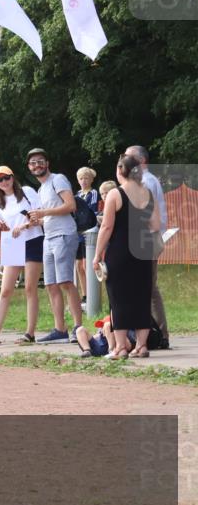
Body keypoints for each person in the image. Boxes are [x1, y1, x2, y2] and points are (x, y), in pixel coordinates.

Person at [93, 154, 158, 359]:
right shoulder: (147, 193)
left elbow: (107, 226)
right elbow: (155, 225)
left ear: (121, 170)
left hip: (120, 250)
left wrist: (96, 255)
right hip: (143, 250)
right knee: (141, 296)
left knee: (118, 298)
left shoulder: (115, 193)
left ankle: (120, 347)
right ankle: (141, 346)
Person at [25, 148, 83, 344]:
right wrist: (37, 221)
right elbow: (49, 215)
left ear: (47, 163)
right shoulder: (41, 190)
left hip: (64, 235)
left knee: (65, 282)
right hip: (48, 238)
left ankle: (78, 327)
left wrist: (43, 213)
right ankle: (60, 329)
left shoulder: (58, 179)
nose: (37, 165)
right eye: (33, 163)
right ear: (29, 168)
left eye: (40, 161)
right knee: (50, 284)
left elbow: (70, 205)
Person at [0, 166, 44, 345]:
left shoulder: (27, 192)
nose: (4, 182)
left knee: (30, 288)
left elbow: (39, 217)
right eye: (0, 179)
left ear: (12, 177)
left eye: (6, 177)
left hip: (32, 239)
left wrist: (23, 226)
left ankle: (30, 333)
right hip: (13, 243)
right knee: (6, 290)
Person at [125, 145, 169, 348]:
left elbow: (145, 214)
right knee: (149, 288)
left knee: (148, 289)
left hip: (148, 237)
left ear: (141, 161)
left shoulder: (146, 181)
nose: (125, 161)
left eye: (129, 157)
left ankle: (159, 334)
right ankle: (156, 333)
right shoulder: (145, 181)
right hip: (148, 237)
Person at [75, 167, 100, 303]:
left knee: (86, 265)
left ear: (91, 179)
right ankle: (85, 295)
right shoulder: (77, 194)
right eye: (81, 178)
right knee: (79, 266)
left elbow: (91, 208)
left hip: (88, 231)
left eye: (86, 178)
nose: (83, 181)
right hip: (78, 233)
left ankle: (92, 295)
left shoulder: (93, 193)